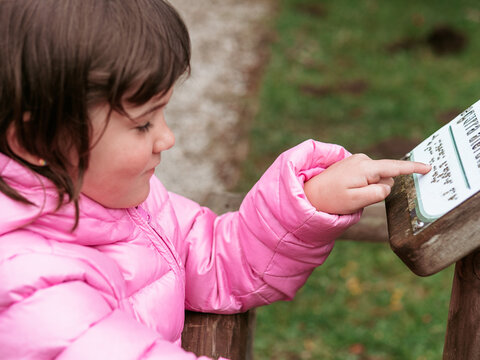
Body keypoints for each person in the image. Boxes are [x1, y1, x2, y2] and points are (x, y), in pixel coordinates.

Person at [0, 1, 431, 359]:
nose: (167, 138)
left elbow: (216, 260)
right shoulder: (30, 292)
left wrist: (312, 199)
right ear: (37, 137)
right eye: (142, 124)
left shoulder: (117, 204)